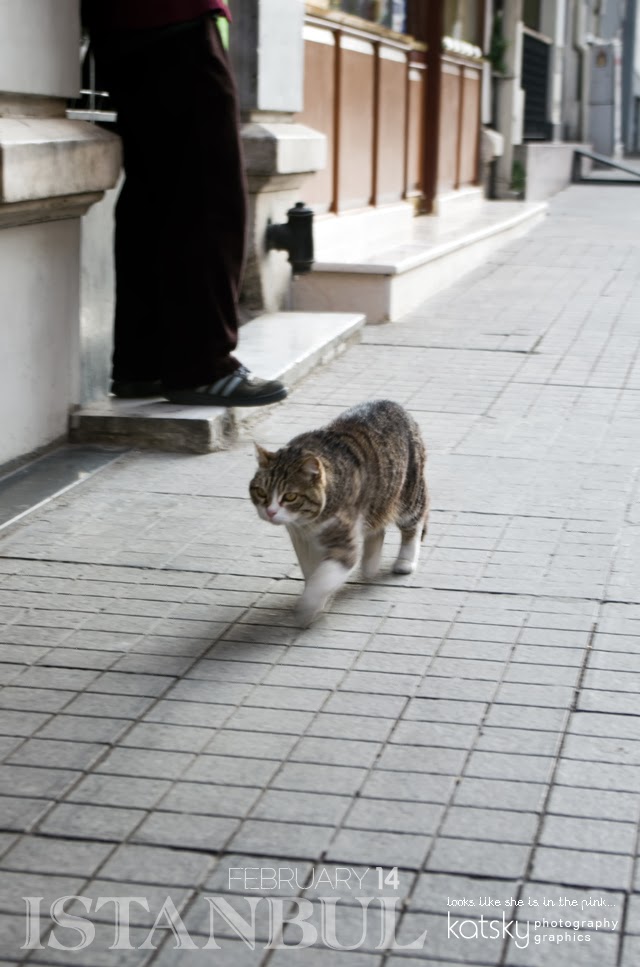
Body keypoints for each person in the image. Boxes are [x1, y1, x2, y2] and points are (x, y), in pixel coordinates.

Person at [82, 0, 288, 407]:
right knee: (208, 194)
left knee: (154, 194)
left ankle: (144, 363)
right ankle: (203, 367)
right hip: (175, 17)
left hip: (124, 24)